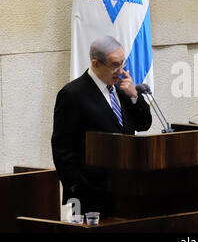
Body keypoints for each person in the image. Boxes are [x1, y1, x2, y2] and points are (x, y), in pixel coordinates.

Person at [51, 36, 152, 214]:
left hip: (127, 189)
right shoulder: (72, 94)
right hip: (90, 194)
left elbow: (144, 124)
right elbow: (62, 149)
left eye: (122, 63)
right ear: (96, 63)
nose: (120, 71)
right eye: (114, 65)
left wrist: (134, 96)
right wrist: (78, 187)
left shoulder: (123, 89)